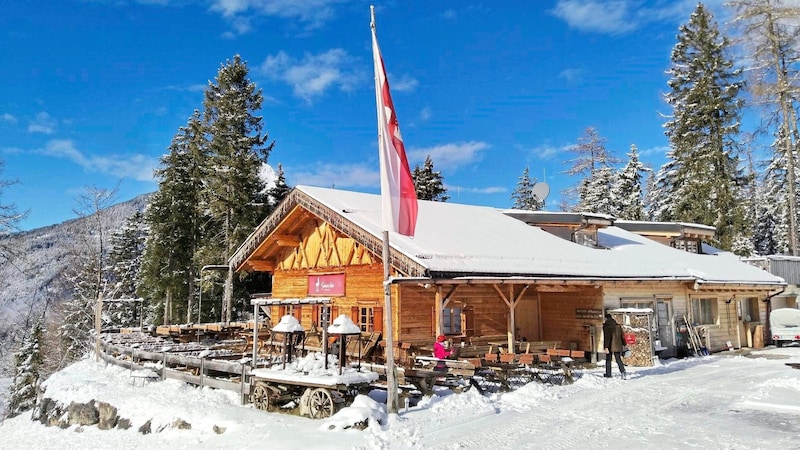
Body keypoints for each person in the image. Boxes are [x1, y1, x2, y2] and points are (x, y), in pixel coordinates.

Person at [603, 314, 627, 379]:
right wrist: (624, 344)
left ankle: (608, 374)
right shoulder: (618, 326)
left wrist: (606, 347)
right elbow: (622, 336)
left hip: (610, 345)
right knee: (618, 359)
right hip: (617, 345)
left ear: (606, 319)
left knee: (608, 359)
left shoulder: (606, 326)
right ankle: (623, 371)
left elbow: (607, 337)